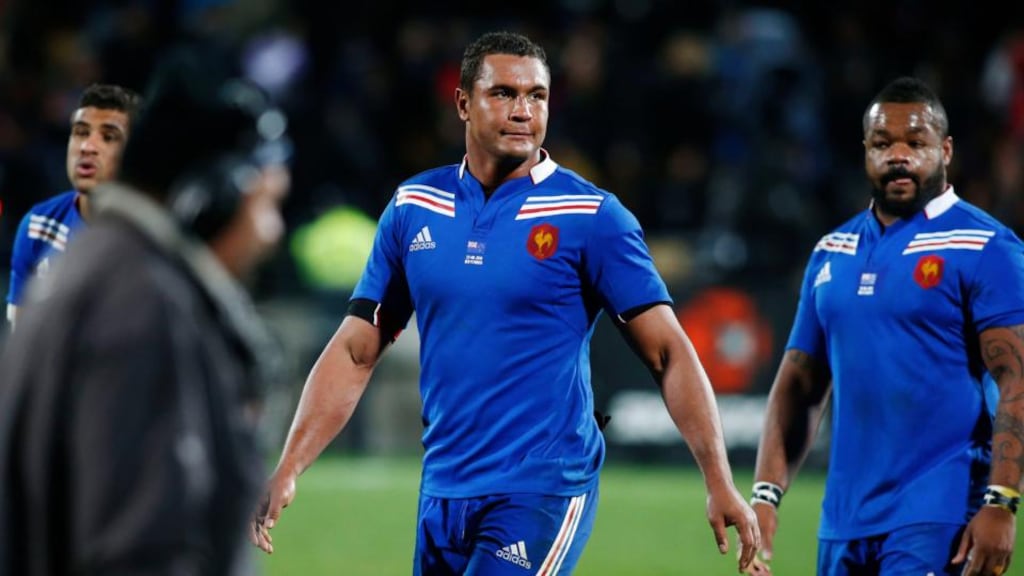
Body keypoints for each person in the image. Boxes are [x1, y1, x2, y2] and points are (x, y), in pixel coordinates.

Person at [252, 30, 759, 574]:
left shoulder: (592, 217)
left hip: (541, 488)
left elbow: (670, 354)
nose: (523, 110)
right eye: (504, 94)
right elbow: (356, 350)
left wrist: (719, 480)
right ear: (463, 103)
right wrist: (289, 466)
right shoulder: (413, 207)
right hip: (444, 488)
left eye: (536, 96)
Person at [0, 45, 291, 576]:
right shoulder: (143, 308)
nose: (273, 232)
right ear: (211, 199)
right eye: (267, 204)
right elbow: (141, 549)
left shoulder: (101, 269)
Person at [745, 76, 1024, 576]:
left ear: (946, 149)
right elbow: (800, 382)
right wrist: (766, 493)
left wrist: (1002, 501)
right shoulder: (833, 251)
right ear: (865, 152)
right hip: (843, 523)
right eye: (882, 144)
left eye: (915, 143)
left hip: (940, 517)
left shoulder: (987, 246)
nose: (899, 155)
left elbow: (1017, 377)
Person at [6, 83, 141, 329]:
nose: (87, 147)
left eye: (108, 137)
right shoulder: (38, 226)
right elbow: (21, 340)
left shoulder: (151, 239)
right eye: (80, 132)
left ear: (134, 153)